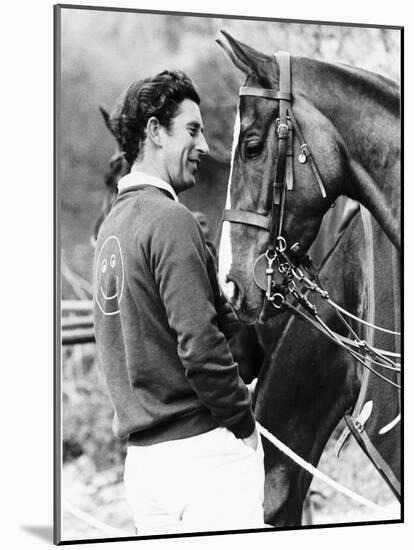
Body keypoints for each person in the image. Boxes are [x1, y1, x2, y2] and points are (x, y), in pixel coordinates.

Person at [93, 70, 265, 535]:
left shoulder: (111, 229)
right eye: (192, 129)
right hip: (204, 460)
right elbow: (202, 346)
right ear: (153, 131)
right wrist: (243, 422)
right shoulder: (171, 220)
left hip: (144, 468)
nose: (205, 146)